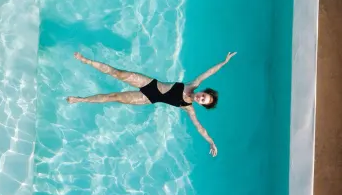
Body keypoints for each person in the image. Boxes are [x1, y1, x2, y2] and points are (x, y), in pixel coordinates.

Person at [67, 51, 236, 157]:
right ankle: (86, 60)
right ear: (203, 91)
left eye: (203, 101)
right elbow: (208, 72)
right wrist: (224, 62)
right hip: (150, 84)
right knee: (118, 73)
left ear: (201, 104)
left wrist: (211, 141)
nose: (200, 98)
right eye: (203, 95)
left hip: (147, 98)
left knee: (114, 96)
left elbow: (200, 128)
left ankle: (80, 99)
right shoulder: (193, 84)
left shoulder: (188, 108)